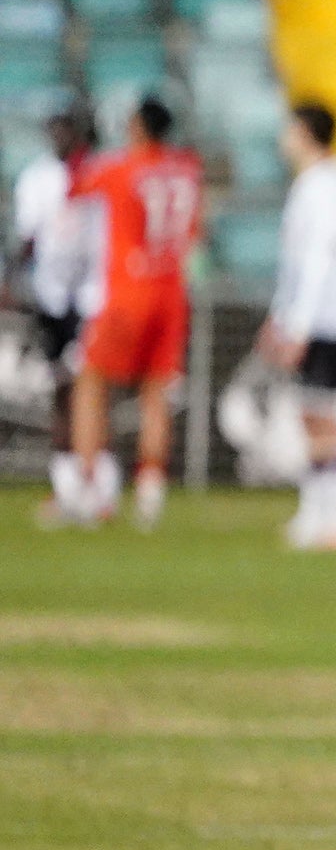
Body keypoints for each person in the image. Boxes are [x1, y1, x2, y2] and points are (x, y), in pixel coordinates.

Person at [69, 96, 203, 531]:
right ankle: (150, 492)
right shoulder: (187, 168)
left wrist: (82, 147)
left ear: (139, 128)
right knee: (155, 393)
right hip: (171, 292)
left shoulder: (121, 167)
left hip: (129, 291)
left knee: (89, 383)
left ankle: (89, 490)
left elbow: (75, 188)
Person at [255, 102, 336, 552]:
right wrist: (281, 315)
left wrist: (297, 324)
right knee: (314, 413)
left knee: (322, 415)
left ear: (304, 132)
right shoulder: (331, 182)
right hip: (320, 313)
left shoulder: (325, 186)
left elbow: (319, 260)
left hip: (327, 315)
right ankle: (319, 515)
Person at [11, 107, 103, 527]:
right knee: (62, 391)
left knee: (93, 389)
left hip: (93, 297)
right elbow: (28, 238)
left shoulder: (101, 172)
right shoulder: (37, 179)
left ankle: (97, 483)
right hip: (52, 298)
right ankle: (67, 484)